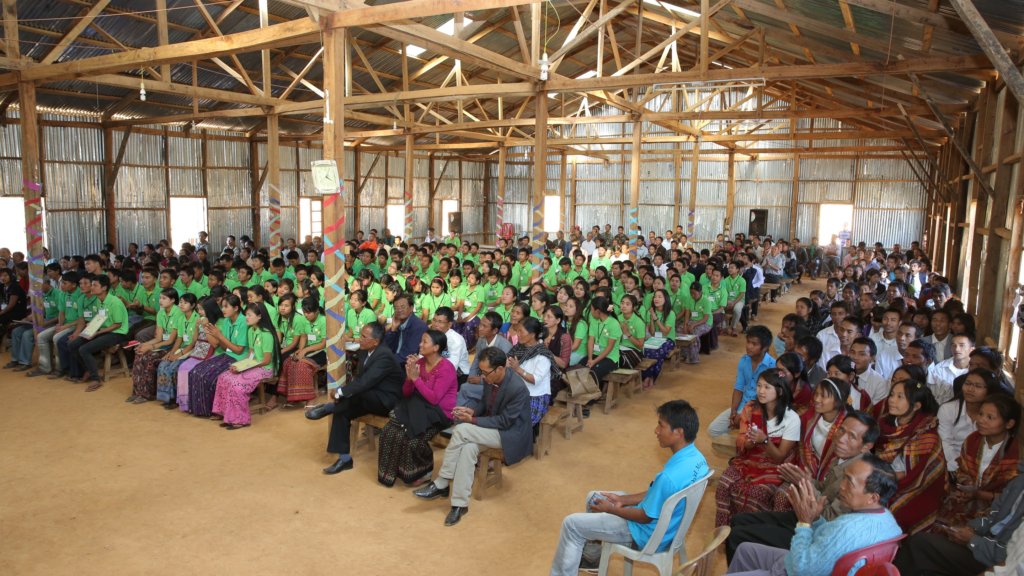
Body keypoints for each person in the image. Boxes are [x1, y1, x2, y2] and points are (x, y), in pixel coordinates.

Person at [549, 400, 710, 575]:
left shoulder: (668, 477)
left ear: (679, 432)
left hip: (645, 533)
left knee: (571, 525)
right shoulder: (698, 460)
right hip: (669, 528)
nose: (656, 431)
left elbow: (644, 517)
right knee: (593, 497)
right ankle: (592, 560)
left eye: (661, 426)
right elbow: (661, 494)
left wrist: (612, 509)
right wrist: (622, 500)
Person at [726, 410, 879, 562]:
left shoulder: (860, 475)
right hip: (810, 518)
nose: (841, 439)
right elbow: (823, 487)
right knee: (739, 520)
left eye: (851, 436)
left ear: (866, 446)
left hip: (818, 535)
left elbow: (829, 518)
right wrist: (805, 479)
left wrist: (804, 483)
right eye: (841, 430)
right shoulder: (845, 457)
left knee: (737, 536)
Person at [412, 346, 531, 526]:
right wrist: (472, 410)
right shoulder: (491, 378)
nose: (483, 376)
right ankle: (460, 504)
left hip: (510, 434)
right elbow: (485, 404)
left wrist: (473, 419)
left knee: (461, 430)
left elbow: (506, 421)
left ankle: (442, 482)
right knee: (468, 448)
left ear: (500, 369)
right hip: (492, 428)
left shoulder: (517, 388)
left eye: (485, 372)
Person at [727, 455, 902, 576]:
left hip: (795, 570)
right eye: (844, 478)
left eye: (850, 482)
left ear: (873, 497)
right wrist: (817, 519)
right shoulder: (890, 522)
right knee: (744, 549)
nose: (842, 486)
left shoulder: (846, 528)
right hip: (810, 563)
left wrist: (804, 523)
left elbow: (800, 570)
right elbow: (830, 541)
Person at [305, 322, 405, 474]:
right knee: (343, 410)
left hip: (387, 401)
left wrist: (340, 392)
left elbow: (366, 382)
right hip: (368, 396)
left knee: (352, 395)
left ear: (375, 341)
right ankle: (345, 459)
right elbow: (359, 379)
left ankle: (329, 407)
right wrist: (345, 392)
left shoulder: (384, 355)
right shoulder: (364, 350)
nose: (360, 339)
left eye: (364, 337)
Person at [715, 371, 800, 526]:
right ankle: (725, 532)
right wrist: (751, 442)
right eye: (759, 385)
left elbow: (780, 457)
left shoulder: (792, 418)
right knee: (724, 484)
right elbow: (743, 441)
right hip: (749, 460)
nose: (761, 391)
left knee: (757, 493)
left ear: (780, 391)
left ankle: (752, 534)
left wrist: (765, 440)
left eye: (767, 387)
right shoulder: (750, 409)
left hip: (775, 466)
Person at [377, 329, 457, 487]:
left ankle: (424, 471)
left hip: (440, 413)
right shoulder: (419, 363)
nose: (420, 344)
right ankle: (393, 471)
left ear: (436, 347)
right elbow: (406, 393)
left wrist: (416, 379)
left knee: (411, 439)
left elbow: (434, 399)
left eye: (425, 341)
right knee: (388, 431)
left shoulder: (446, 368)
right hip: (420, 408)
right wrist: (408, 378)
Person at [875, 379, 947, 534]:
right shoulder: (885, 424)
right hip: (882, 478)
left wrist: (876, 478)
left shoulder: (926, 436)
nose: (892, 400)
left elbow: (915, 476)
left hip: (912, 490)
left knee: (885, 512)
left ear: (916, 406)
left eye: (900, 397)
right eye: (892, 394)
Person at [210, 303, 280, 430]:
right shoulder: (251, 330)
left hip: (265, 369)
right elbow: (251, 354)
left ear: (259, 317)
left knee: (237, 385)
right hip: (254, 365)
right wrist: (239, 365)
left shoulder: (267, 334)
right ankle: (227, 415)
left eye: (249, 315)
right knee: (224, 377)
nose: (246, 317)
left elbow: (266, 360)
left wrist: (246, 368)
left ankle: (240, 420)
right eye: (246, 314)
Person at [183, 294, 249, 417]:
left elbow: (239, 351)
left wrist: (219, 336)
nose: (223, 309)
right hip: (227, 354)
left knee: (208, 376)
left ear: (235, 308)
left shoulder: (243, 322)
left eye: (226, 306)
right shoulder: (227, 321)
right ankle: (199, 409)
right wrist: (219, 337)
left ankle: (211, 410)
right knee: (196, 371)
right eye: (222, 306)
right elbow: (224, 347)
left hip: (239, 358)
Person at [708, 326, 776, 438]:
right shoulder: (744, 361)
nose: (749, 346)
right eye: (748, 342)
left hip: (760, 410)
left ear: (765, 348)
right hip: (742, 405)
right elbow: (738, 388)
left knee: (748, 438)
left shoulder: (772, 366)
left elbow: (769, 400)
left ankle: (742, 449)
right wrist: (733, 411)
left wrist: (744, 414)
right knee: (713, 430)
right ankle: (738, 450)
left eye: (754, 344)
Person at [68, 274, 130, 392]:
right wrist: (89, 330)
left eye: (95, 285)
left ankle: (96, 379)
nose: (92, 287)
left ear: (104, 288)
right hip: (103, 330)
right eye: (92, 285)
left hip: (117, 333)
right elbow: (100, 317)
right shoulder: (98, 300)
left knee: (84, 349)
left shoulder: (115, 302)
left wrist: (97, 332)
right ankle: (88, 370)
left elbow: (118, 324)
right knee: (73, 344)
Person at [937, 368, 1007, 471]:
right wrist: (960, 468)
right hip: (952, 463)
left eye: (978, 386)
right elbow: (945, 443)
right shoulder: (947, 409)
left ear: (990, 390)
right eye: (967, 383)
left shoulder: (995, 414)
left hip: (984, 466)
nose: (970, 389)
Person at [125, 288, 183, 403]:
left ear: (172, 300)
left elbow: (171, 340)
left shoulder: (178, 313)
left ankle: (147, 394)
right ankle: (138, 391)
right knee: (139, 353)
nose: (160, 301)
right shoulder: (161, 313)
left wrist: (150, 347)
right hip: (162, 344)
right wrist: (143, 345)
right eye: (160, 298)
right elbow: (158, 337)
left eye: (164, 298)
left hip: (173, 347)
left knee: (148, 357)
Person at [506, 316, 560, 425]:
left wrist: (517, 369)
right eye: (517, 331)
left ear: (532, 334)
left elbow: (535, 380)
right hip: (518, 393)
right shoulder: (518, 348)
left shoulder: (543, 354)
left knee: (521, 423)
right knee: (503, 417)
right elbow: (508, 362)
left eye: (521, 331)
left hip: (536, 397)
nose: (518, 334)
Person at [154, 293, 200, 409]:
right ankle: (166, 397)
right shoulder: (180, 318)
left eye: (185, 302)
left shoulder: (197, 319)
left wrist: (180, 354)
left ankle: (175, 399)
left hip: (192, 350)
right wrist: (172, 353)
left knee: (173, 367)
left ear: (193, 305)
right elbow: (179, 339)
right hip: (182, 348)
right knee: (163, 364)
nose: (181, 305)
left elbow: (193, 343)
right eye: (180, 302)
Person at [458, 311, 512, 407]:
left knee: (465, 389)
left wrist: (481, 380)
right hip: (484, 381)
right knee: (468, 393)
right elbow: (476, 362)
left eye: (484, 326)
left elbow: (504, 375)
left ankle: (456, 417)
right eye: (480, 324)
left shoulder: (504, 347)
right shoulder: (481, 340)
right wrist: (471, 378)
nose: (480, 328)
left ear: (495, 330)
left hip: (497, 387)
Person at [382, 293, 428, 366]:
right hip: (394, 362)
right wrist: (393, 329)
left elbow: (408, 354)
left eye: (402, 307)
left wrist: (386, 362)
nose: (399, 310)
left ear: (411, 308)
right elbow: (386, 347)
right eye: (396, 308)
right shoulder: (398, 323)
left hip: (406, 366)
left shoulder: (419, 326)